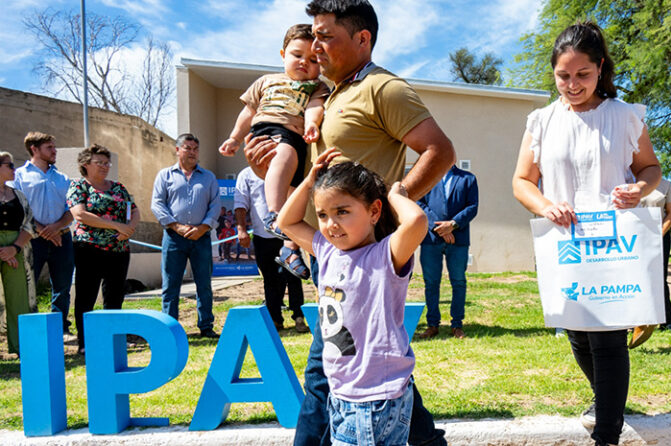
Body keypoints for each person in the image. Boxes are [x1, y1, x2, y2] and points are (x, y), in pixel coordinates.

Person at [244, 3, 455, 445]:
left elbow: (439, 151)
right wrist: (268, 169)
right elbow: (318, 178)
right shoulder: (327, 94)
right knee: (360, 364)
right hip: (327, 252)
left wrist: (392, 209)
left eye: (325, 35)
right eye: (313, 36)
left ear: (362, 40)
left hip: (366, 257)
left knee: (326, 369)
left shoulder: (383, 88)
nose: (315, 45)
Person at [512, 22, 661, 446]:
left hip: (615, 241)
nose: (573, 84)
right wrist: (545, 205)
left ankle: (607, 435)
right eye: (563, 75)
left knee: (608, 336)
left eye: (583, 74)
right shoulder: (540, 121)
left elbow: (650, 168)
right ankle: (605, 400)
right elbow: (521, 180)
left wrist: (640, 187)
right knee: (576, 330)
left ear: (600, 70)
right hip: (565, 242)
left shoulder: (625, 116)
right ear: (553, 73)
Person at [278, 150, 428, 445]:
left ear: (374, 212)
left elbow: (417, 221)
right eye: (323, 215)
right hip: (343, 395)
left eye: (342, 212)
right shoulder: (326, 250)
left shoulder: (385, 255)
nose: (331, 224)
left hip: (373, 401)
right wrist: (309, 182)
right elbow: (287, 222)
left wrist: (395, 194)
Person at [219, 24, 329, 279]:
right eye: (297, 55)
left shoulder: (317, 86)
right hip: (270, 130)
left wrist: (312, 124)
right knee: (284, 157)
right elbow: (248, 111)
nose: (304, 63)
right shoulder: (267, 81)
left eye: (313, 59)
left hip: (299, 137)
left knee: (297, 194)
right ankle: (275, 214)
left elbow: (314, 107)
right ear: (283, 54)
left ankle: (289, 249)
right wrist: (235, 138)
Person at [67, 145, 139, 355]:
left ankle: (115, 339)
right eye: (100, 163)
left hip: (118, 250)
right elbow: (80, 215)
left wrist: (130, 228)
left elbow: (133, 211)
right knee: (86, 296)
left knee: (115, 296)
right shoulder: (79, 187)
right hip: (88, 248)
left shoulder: (118, 187)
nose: (105, 167)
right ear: (85, 164)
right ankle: (85, 342)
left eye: (107, 163)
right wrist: (117, 226)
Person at [151, 133, 220, 338]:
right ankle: (170, 329)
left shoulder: (208, 177)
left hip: (201, 238)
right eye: (187, 148)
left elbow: (215, 205)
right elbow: (157, 203)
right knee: (170, 285)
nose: (192, 152)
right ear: (177, 150)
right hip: (174, 237)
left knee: (204, 284)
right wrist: (176, 226)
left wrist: (203, 227)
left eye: (195, 149)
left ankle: (206, 326)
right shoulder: (165, 175)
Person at [13, 132, 74, 338]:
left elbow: (70, 210)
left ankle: (60, 328)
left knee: (63, 286)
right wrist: (43, 230)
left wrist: (56, 228)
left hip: (62, 238)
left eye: (54, 147)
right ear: (34, 149)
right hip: (32, 239)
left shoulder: (62, 178)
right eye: (49, 147)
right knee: (29, 286)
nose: (54, 151)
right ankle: (32, 331)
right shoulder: (19, 176)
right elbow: (19, 208)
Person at [233, 166, 308, 333]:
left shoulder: (286, 166)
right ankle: (275, 319)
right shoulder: (246, 174)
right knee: (270, 279)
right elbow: (240, 205)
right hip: (262, 235)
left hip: (287, 233)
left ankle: (299, 317)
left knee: (293, 275)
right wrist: (241, 229)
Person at [417, 165, 478, 340]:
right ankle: (432, 325)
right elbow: (419, 203)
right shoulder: (427, 177)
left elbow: (472, 206)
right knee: (431, 283)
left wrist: (453, 225)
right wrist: (441, 228)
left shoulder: (468, 179)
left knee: (458, 282)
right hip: (431, 239)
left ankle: (457, 325)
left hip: (458, 240)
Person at [0, 152, 35, 359]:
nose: (14, 169)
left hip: (16, 249)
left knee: (18, 298)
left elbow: (29, 224)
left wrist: (14, 248)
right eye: (9, 165)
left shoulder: (18, 195)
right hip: (6, 251)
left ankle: (21, 346)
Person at [640, 177, 671, 331]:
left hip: (659, 237)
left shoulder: (665, 185)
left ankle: (668, 321)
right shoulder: (627, 180)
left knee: (659, 278)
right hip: (633, 236)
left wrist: (659, 234)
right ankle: (632, 323)